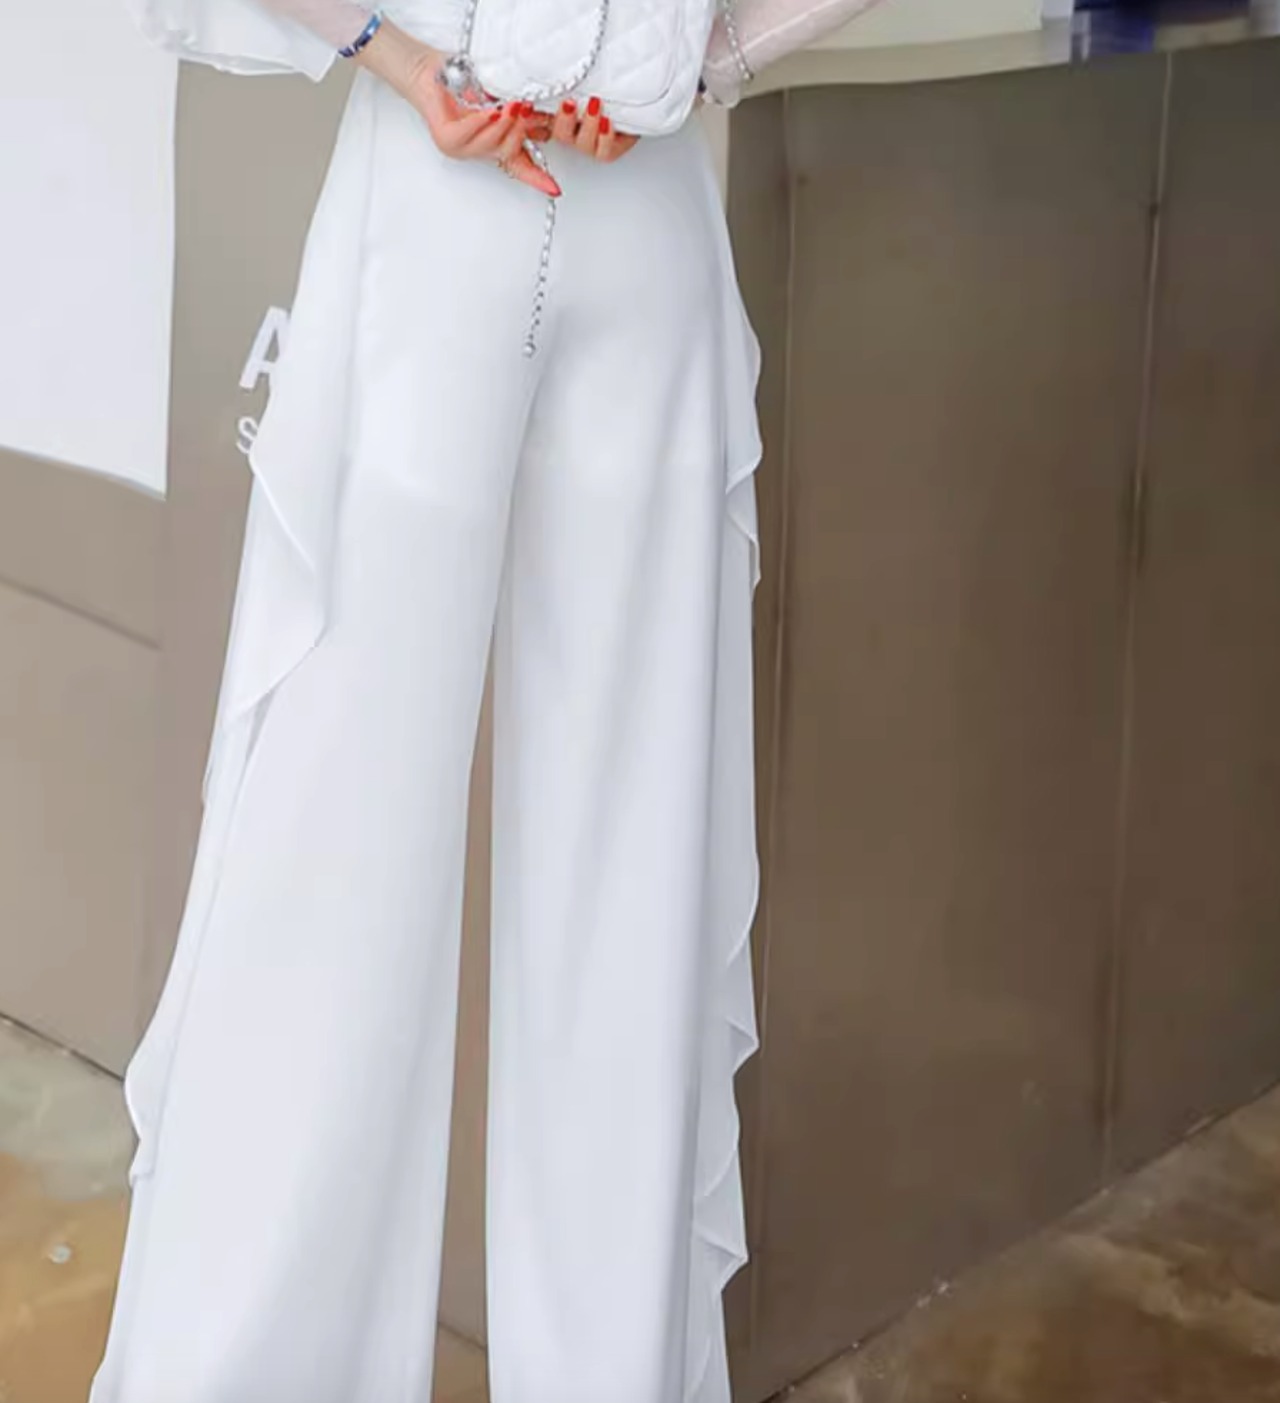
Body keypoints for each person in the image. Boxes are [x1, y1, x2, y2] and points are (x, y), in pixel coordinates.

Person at [90, 3, 763, 1401]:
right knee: (414, 834)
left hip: (540, 199)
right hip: (510, 195)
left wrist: (700, 57)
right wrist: (685, 58)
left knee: (527, 843)